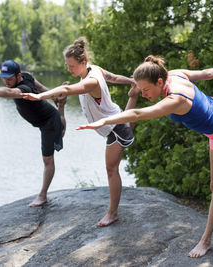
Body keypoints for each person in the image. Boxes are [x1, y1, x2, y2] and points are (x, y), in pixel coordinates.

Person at [77, 55, 213, 257]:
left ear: (159, 82)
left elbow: (137, 115)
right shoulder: (174, 74)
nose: (143, 95)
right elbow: (207, 74)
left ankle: (205, 241)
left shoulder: (175, 99)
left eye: (145, 90)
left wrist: (103, 122)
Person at [21, 37, 139, 227]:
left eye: (72, 66)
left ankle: (112, 214)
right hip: (117, 121)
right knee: (122, 130)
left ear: (83, 63)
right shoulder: (95, 69)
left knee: (111, 169)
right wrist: (132, 82)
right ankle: (134, 98)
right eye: (67, 65)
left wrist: (40, 95)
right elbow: (114, 78)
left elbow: (67, 89)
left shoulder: (91, 82)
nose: (69, 69)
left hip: (116, 130)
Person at [0, 59, 67, 207]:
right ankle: (61, 103)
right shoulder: (27, 76)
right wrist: (54, 95)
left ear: (18, 76)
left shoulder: (25, 88)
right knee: (59, 133)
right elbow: (43, 88)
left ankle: (42, 196)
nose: (6, 81)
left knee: (48, 159)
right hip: (42, 117)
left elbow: (10, 92)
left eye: (9, 78)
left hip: (48, 121)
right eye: (4, 78)